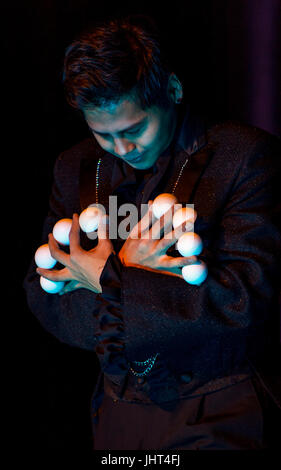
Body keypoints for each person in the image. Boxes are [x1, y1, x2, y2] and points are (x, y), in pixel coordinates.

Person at [23, 15, 281, 450]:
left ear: (174, 91)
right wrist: (128, 273)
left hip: (220, 408)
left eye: (134, 129)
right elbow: (42, 297)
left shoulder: (245, 156)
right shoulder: (75, 167)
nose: (122, 148)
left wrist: (104, 277)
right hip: (116, 413)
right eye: (101, 134)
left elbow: (242, 302)